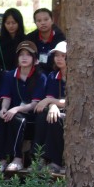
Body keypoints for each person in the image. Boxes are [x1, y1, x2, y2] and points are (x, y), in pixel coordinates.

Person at [0, 40, 46, 172]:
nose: (24, 57)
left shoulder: (40, 77)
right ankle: (2, 159)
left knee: (17, 120)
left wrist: (16, 109)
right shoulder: (9, 75)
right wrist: (3, 109)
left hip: (31, 116)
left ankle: (17, 158)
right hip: (13, 113)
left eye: (28, 54)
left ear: (35, 58)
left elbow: (35, 104)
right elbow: (6, 97)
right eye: (21, 54)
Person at [33, 41, 67, 175]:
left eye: (63, 56)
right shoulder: (53, 75)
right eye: (57, 55)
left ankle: (56, 162)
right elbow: (50, 96)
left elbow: (71, 102)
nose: (59, 58)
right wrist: (52, 106)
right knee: (43, 115)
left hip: (74, 113)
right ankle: (39, 158)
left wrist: (50, 101)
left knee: (56, 119)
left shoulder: (77, 76)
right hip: (58, 108)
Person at [26, 7, 66, 72]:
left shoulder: (60, 38)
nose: (43, 23)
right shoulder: (30, 38)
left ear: (52, 20)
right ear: (35, 23)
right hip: (35, 73)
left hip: (55, 72)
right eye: (39, 21)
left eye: (46, 19)